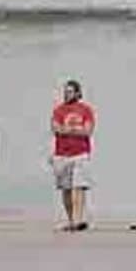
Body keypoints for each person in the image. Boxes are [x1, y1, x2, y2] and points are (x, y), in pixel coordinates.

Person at [51, 80, 96, 232]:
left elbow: (87, 131)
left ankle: (78, 219)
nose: (66, 94)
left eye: (70, 91)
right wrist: (76, 129)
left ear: (77, 93)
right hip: (62, 154)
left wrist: (68, 129)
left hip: (81, 153)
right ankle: (71, 220)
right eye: (65, 91)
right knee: (66, 188)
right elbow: (56, 129)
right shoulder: (59, 110)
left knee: (79, 186)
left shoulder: (86, 110)